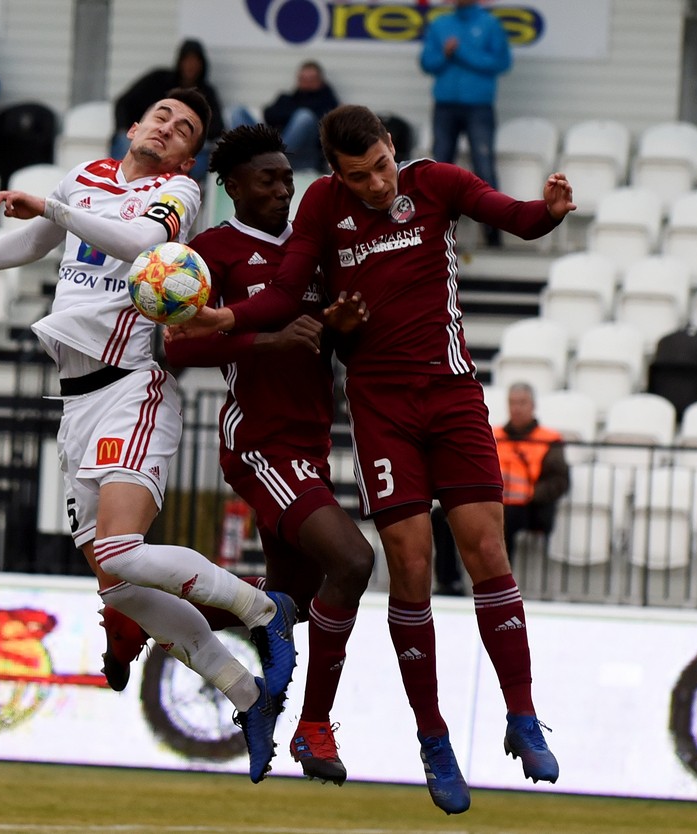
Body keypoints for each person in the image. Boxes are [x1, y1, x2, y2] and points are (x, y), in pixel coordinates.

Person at [170, 104, 574, 814]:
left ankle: (521, 714)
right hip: (376, 411)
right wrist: (233, 319)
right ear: (336, 173)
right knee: (402, 567)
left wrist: (547, 213)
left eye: (383, 166)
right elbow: (286, 298)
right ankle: (433, 739)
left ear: (393, 147)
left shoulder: (435, 181)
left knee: (485, 551)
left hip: (451, 395)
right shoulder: (318, 209)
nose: (378, 184)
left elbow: (512, 215)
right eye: (359, 176)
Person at [0, 90, 299, 784]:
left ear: (188, 158)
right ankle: (246, 695)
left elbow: (143, 246)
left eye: (185, 130)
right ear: (134, 126)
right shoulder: (85, 177)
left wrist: (52, 209)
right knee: (118, 588)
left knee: (119, 549)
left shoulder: (178, 194)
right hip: (76, 402)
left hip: (130, 388)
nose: (168, 129)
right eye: (161, 117)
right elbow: (33, 241)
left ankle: (262, 607)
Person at [163, 124, 374, 785]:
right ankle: (314, 727)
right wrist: (266, 343)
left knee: (292, 602)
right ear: (232, 187)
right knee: (353, 561)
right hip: (259, 442)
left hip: (310, 444)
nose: (284, 189)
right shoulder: (212, 252)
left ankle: (144, 619)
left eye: (288, 178)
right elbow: (178, 343)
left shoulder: (314, 249)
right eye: (269, 179)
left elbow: (322, 340)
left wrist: (339, 330)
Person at [432, 382, 568, 595]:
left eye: (522, 403)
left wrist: (530, 494)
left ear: (533, 406)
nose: (517, 408)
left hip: (530, 508)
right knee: (442, 515)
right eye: (512, 403)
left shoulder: (549, 439)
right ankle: (449, 583)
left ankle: (499, 587)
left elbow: (560, 481)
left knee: (505, 518)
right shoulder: (493, 435)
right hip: (491, 502)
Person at [420, 0, 512, 248]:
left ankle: (493, 235)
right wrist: (445, 54)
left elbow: (501, 63)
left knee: (484, 168)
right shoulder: (440, 24)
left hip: (478, 106)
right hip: (445, 106)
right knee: (439, 169)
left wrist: (460, 53)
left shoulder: (490, 23)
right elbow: (427, 63)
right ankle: (434, 233)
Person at [111, 40, 223, 180]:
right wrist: (123, 129)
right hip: (135, 139)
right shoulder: (157, 79)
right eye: (161, 118)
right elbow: (123, 104)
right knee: (123, 141)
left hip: (182, 162)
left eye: (181, 130)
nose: (166, 129)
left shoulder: (208, 93)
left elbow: (218, 127)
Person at [228, 61, 339, 173]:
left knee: (304, 116)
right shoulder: (286, 98)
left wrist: (289, 116)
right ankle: (258, 157)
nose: (307, 83)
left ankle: (275, 157)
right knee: (238, 112)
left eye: (311, 79)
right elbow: (269, 115)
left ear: (320, 81)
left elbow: (324, 128)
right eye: (303, 79)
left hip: (301, 155)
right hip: (272, 143)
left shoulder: (328, 103)